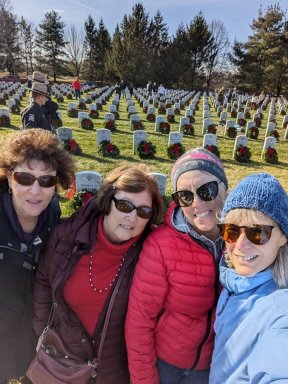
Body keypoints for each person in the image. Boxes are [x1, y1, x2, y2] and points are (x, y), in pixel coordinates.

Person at [33, 164, 164, 384]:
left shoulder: (151, 253)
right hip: (60, 359)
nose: (132, 218)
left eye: (143, 211)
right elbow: (44, 281)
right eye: (124, 205)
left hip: (111, 371)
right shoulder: (67, 236)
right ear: (108, 201)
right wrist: (41, 331)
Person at [125, 148, 229, 384]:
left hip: (215, 365)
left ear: (224, 186)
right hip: (167, 365)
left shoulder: (243, 241)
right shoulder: (161, 246)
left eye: (207, 190)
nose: (198, 203)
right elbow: (139, 322)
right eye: (185, 196)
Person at [0, 128, 75, 383]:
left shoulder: (53, 214)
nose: (35, 190)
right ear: (9, 178)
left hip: (32, 337)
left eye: (46, 181)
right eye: (24, 178)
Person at [209, 173, 288, 384]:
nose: (241, 246)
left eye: (258, 233)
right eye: (232, 231)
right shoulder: (235, 283)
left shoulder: (280, 310)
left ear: (283, 237)